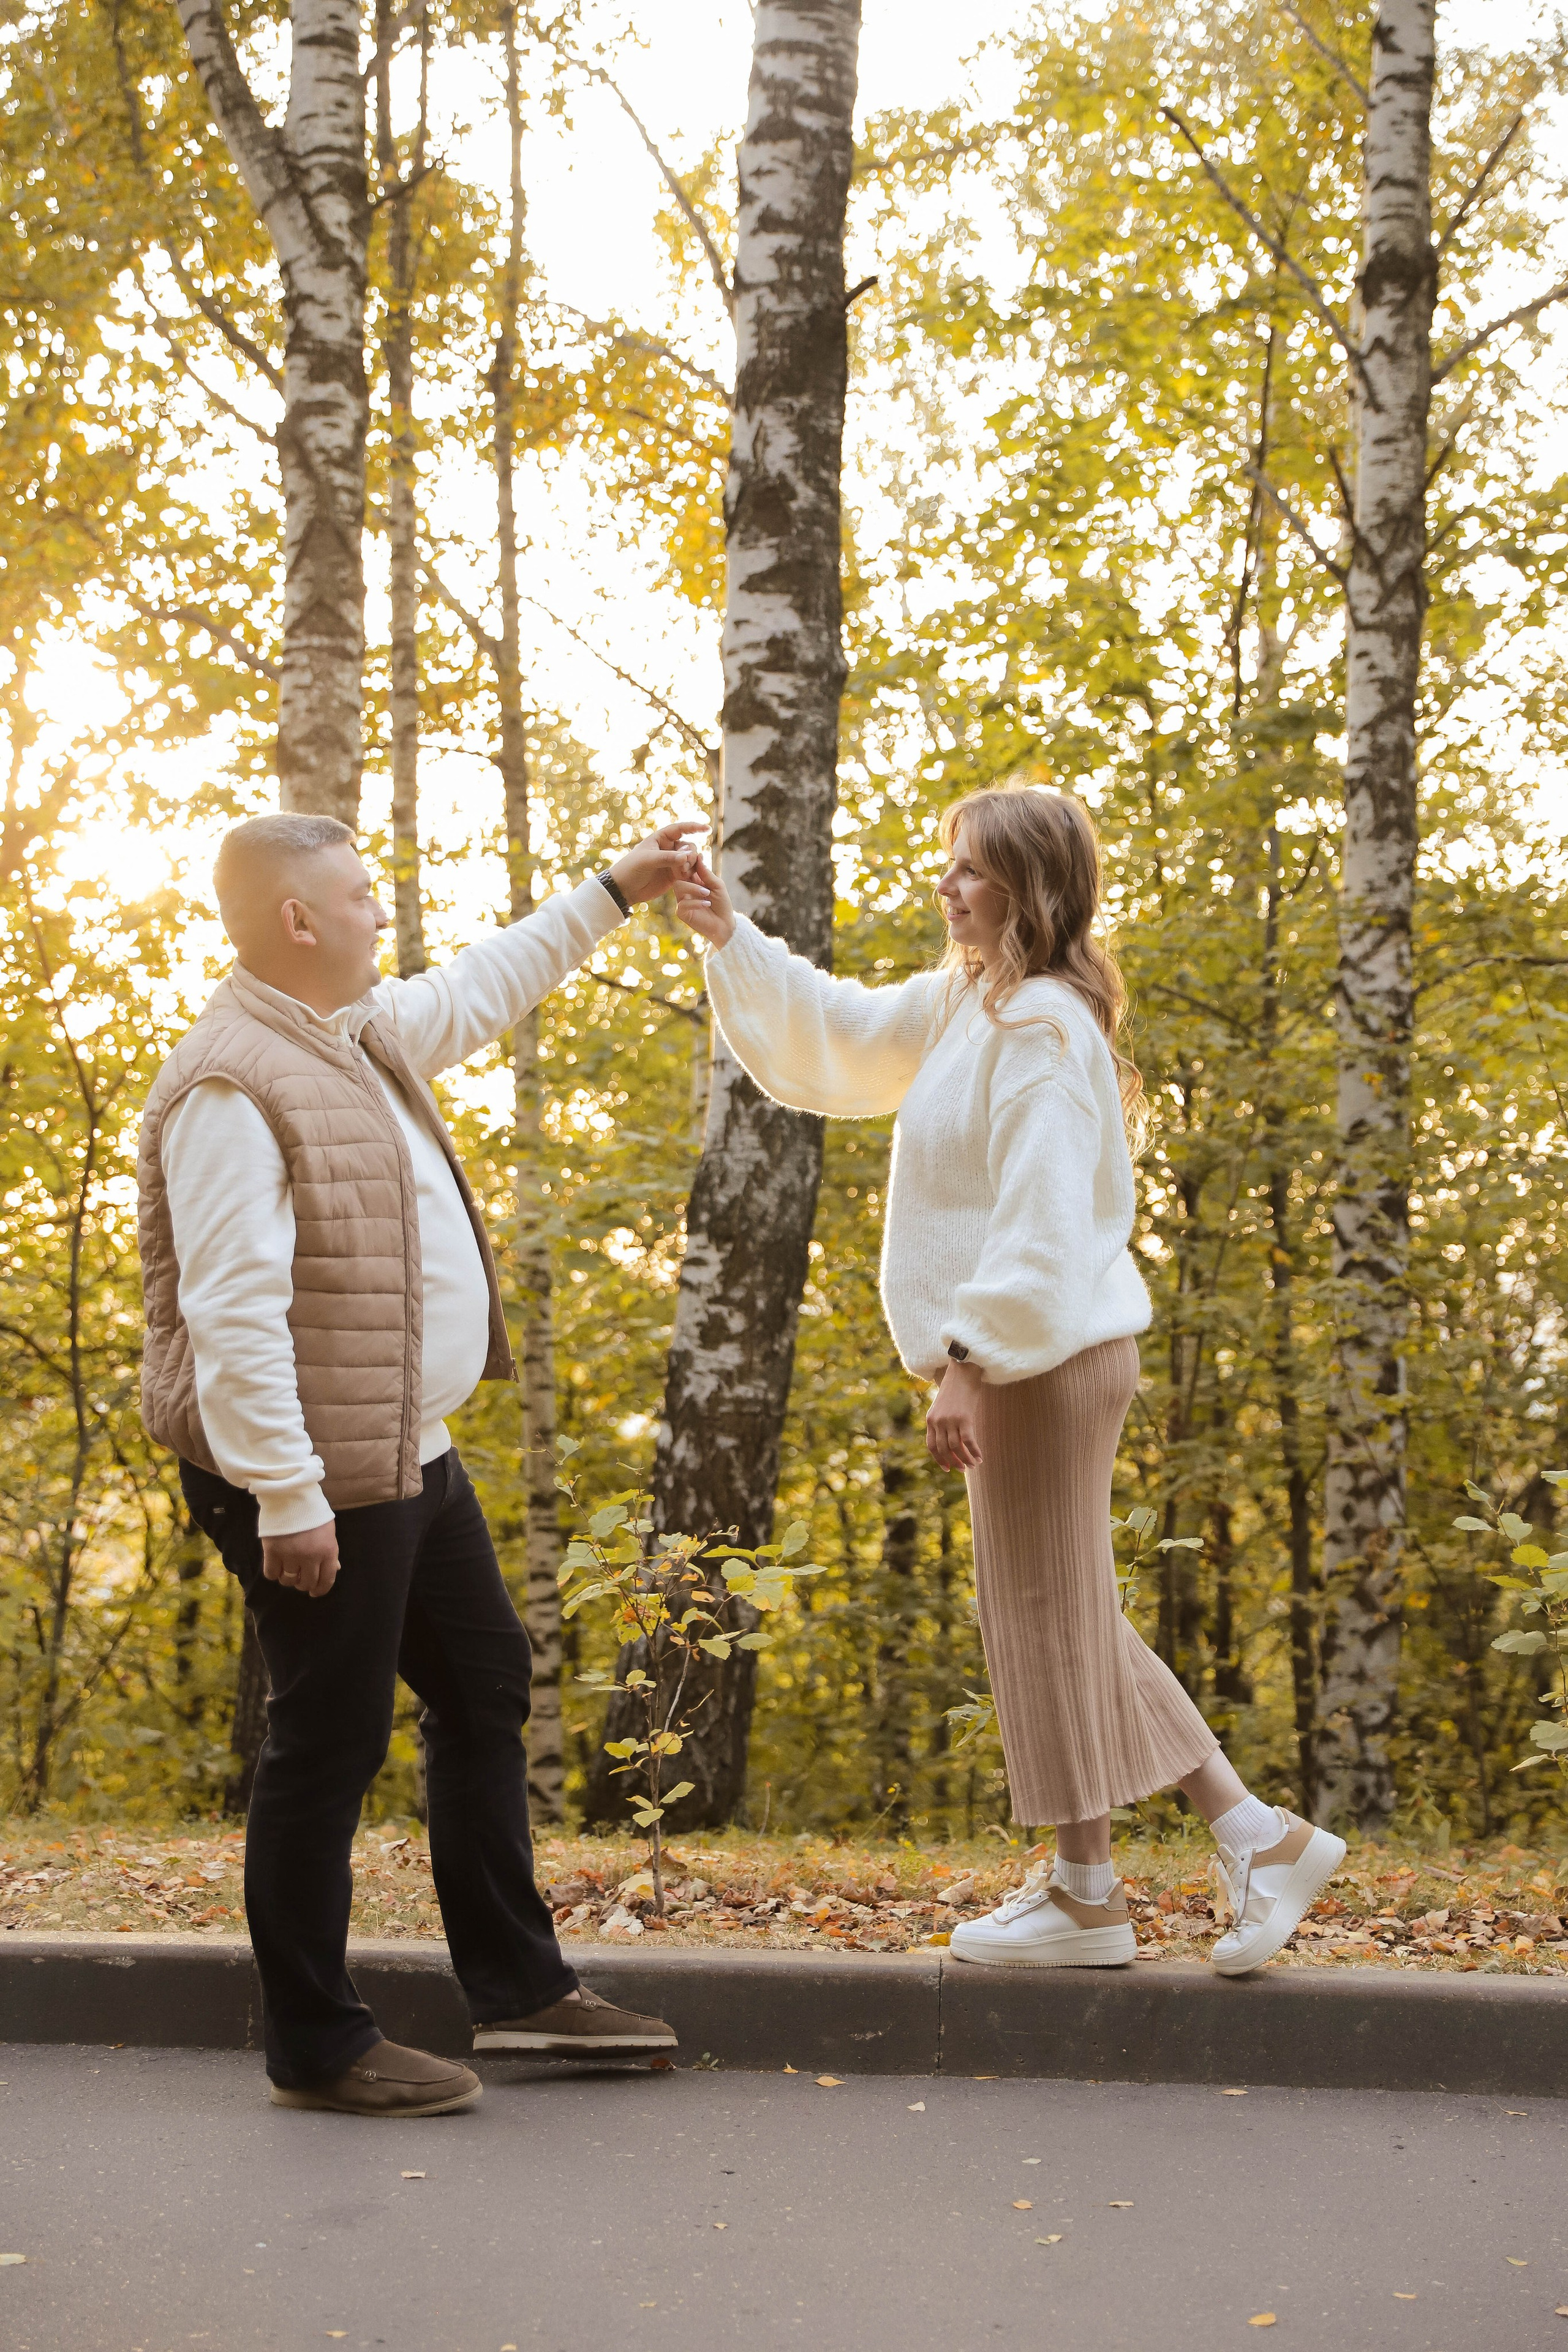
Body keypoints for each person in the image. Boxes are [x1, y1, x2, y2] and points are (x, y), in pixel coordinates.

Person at [673, 785, 1344, 1975]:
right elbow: (836, 1028)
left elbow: (1041, 1220)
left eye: (970, 871)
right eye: (949, 865)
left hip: (1039, 1354)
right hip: (1029, 1354)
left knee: (1045, 1607)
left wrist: (966, 1364)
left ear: (1028, 892)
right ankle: (1152, 1867)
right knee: (1055, 1608)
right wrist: (731, 933)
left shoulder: (1039, 1028)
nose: (946, 886)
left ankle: (1155, 1869)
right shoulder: (969, 1003)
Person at [138, 812, 701, 2115]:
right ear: (297, 921)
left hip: (405, 1451)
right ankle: (316, 2045)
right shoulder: (232, 1084)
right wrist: (287, 1494)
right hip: (318, 1475)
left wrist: (616, 891)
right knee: (328, 1743)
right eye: (358, 894)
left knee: (483, 1683)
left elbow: (486, 981)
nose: (379, 912)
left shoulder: (360, 1035)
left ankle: (516, 1991)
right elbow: (228, 1313)